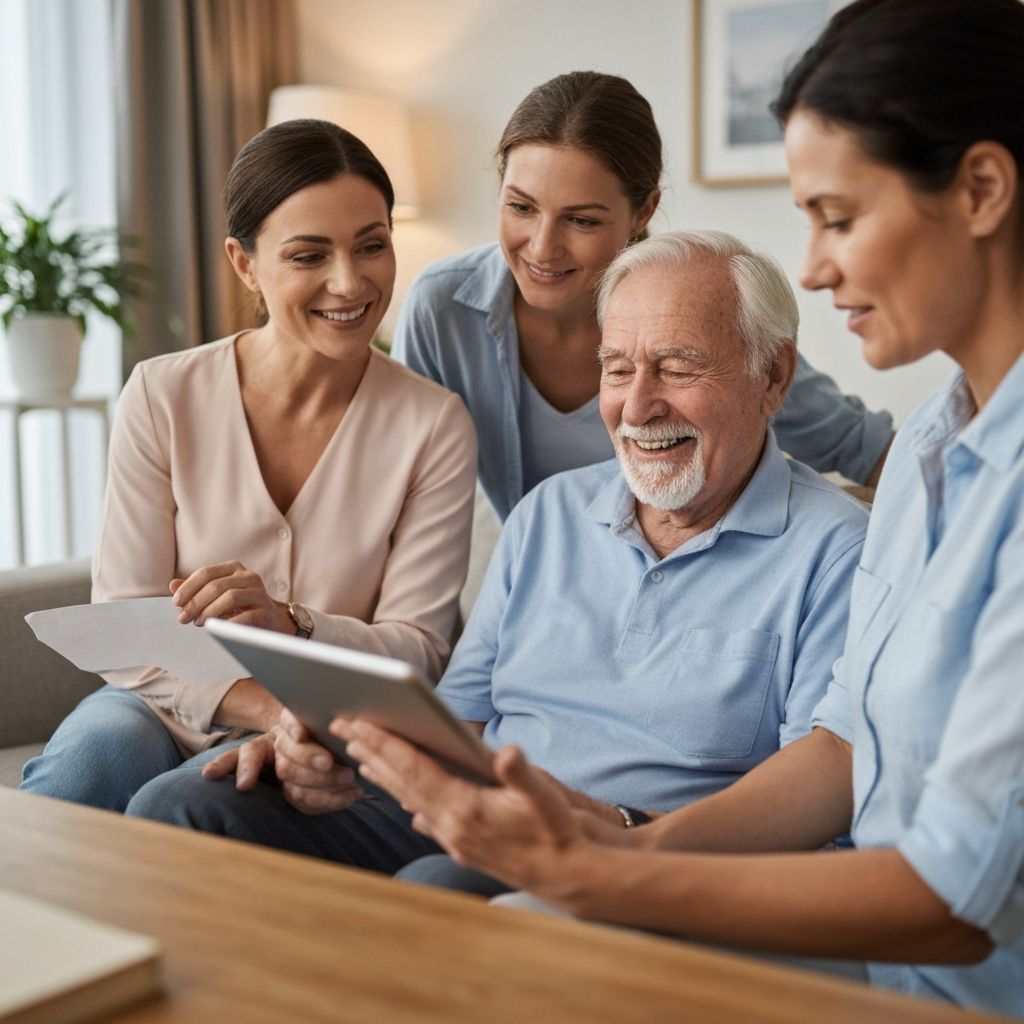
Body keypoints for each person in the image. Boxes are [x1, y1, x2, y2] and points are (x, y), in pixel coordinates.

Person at [334, 0, 1024, 1016]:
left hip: (944, 983)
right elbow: (840, 746)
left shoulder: (883, 501)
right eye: (620, 368)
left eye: (836, 216)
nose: (816, 264)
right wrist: (616, 844)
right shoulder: (931, 445)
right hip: (866, 947)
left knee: (467, 951)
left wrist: (599, 871)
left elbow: (953, 900)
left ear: (979, 188)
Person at [126, 230, 868, 896]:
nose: (638, 406)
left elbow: (820, 803)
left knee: (439, 883)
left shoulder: (837, 550)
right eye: (616, 369)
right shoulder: (547, 516)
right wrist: (336, 753)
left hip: (646, 851)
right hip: (474, 810)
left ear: (773, 378)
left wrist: (621, 826)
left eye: (677, 368)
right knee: (179, 807)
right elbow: (458, 723)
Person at [20, 119, 477, 812]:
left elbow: (418, 652)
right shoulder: (162, 392)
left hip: (324, 727)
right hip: (157, 703)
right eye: (308, 255)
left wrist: (295, 625)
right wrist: (264, 707)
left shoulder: (433, 423)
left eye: (372, 246)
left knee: (194, 802)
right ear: (244, 263)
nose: (349, 282)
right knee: (97, 758)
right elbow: (122, 623)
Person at [392, 70, 893, 520]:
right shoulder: (443, 308)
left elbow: (875, 453)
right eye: (521, 207)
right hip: (534, 592)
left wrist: (824, 528)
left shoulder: (704, 311)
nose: (542, 248)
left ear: (644, 211)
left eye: (581, 220)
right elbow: (399, 487)